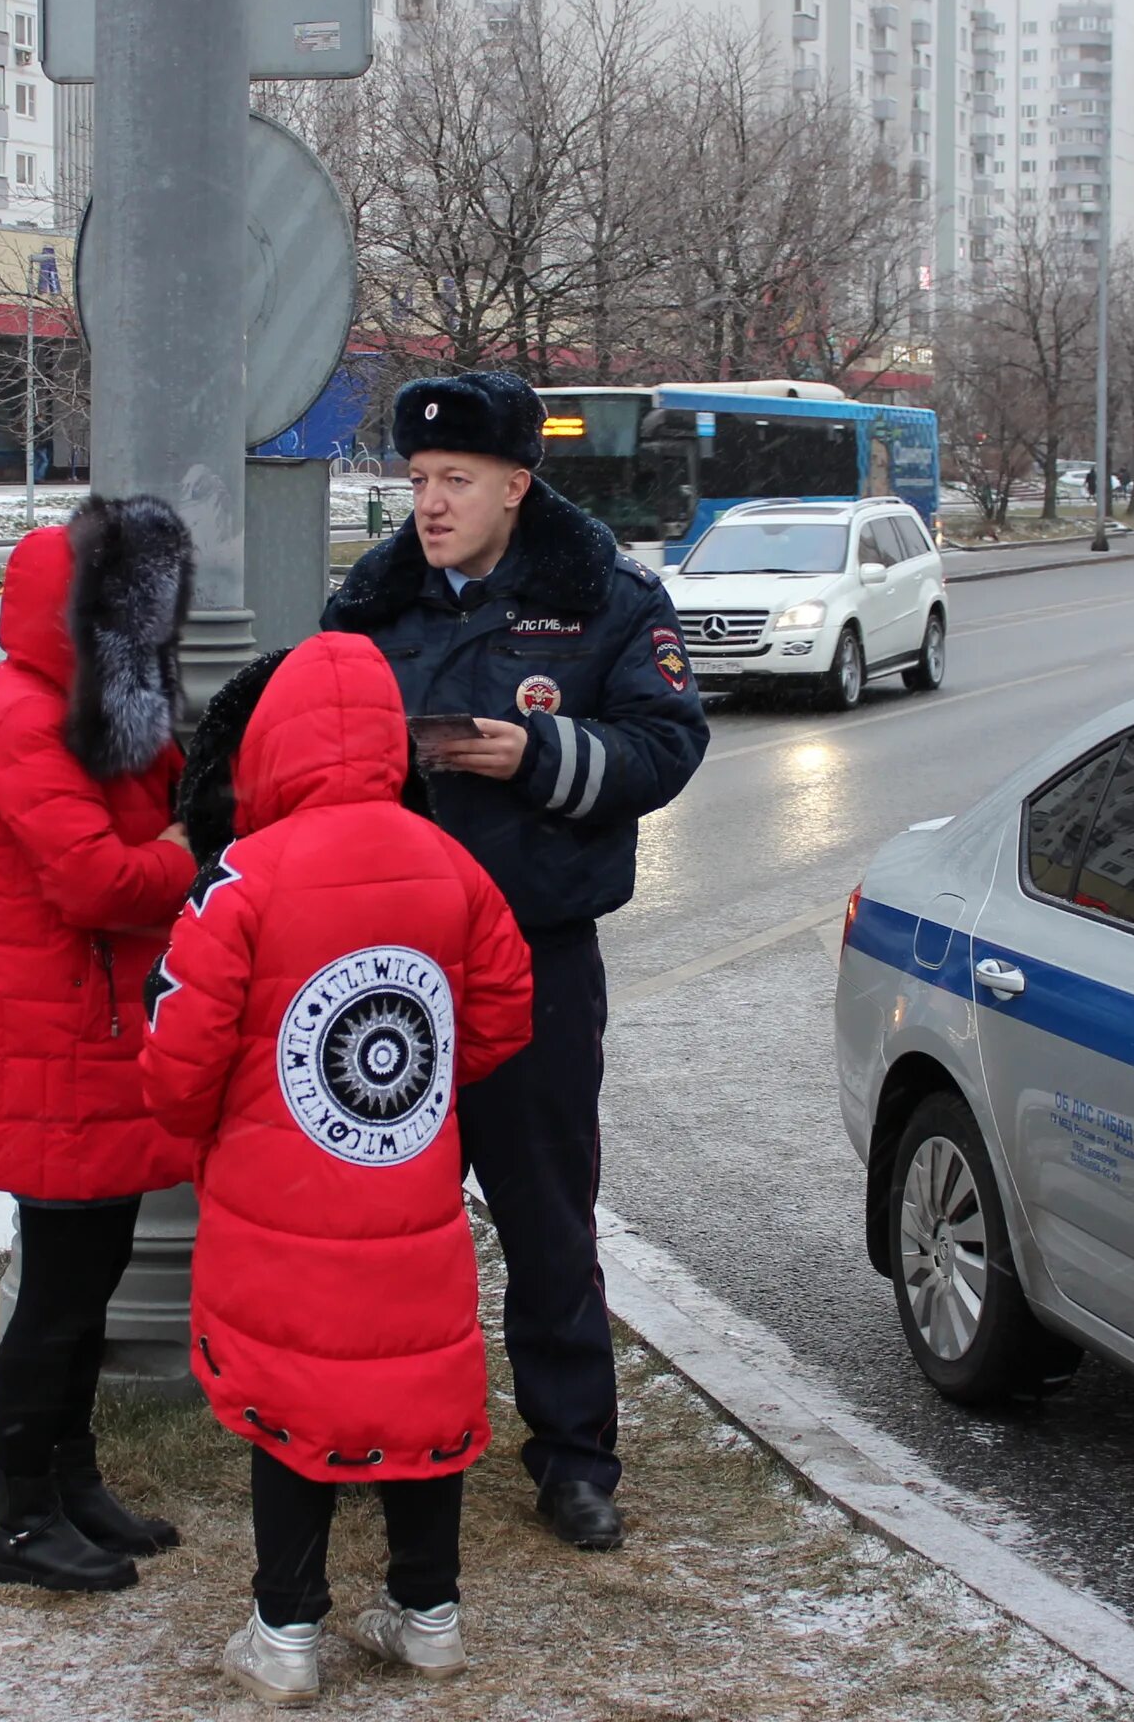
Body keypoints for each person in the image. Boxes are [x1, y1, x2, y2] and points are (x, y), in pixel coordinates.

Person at [321, 371, 710, 1553]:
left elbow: (666, 743)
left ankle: (576, 1457)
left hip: (535, 956)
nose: (430, 504)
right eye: (419, 480)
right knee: (389, 1219)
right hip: (392, 966)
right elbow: (299, 740)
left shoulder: (604, 598)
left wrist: (532, 752)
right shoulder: (371, 603)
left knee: (547, 1217)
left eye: (457, 482)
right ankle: (378, 1427)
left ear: (514, 485)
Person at [140, 635, 537, 1705]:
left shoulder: (246, 876)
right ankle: (429, 1614)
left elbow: (180, 1052)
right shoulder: (451, 860)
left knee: (293, 1401)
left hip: (284, 1193)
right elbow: (502, 1010)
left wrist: (214, 1129)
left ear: (273, 742)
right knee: (419, 1382)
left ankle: (287, 1631)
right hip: (409, 1185)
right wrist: (426, 1090)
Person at [0, 493, 202, 1594]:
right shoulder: (24, 712)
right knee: (57, 1295)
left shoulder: (87, 704)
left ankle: (73, 1481)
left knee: (87, 1284)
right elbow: (100, 877)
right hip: (53, 1043)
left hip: (91, 1035)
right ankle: (19, 1517)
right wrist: (194, 843)